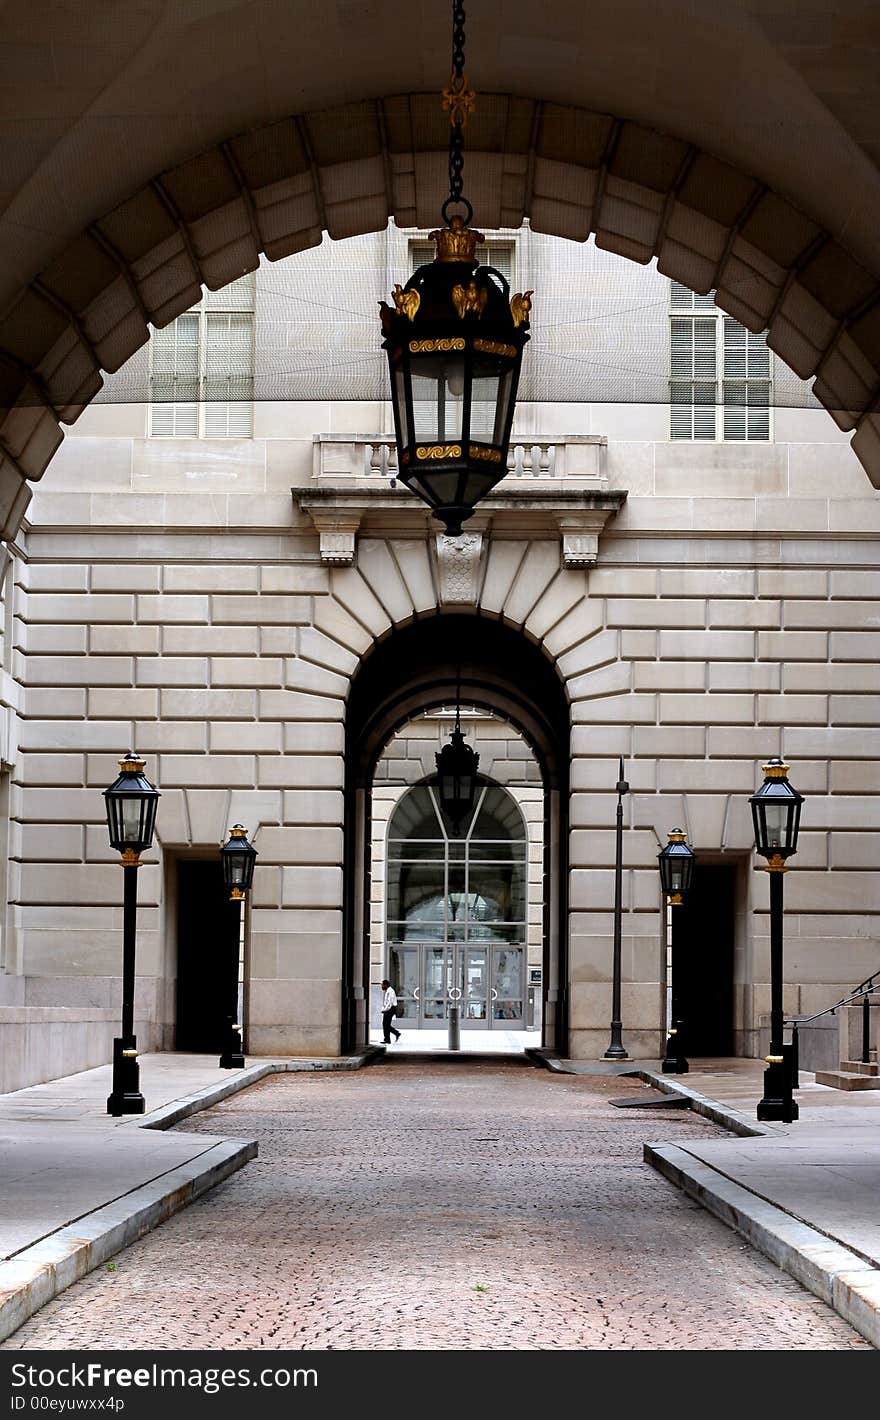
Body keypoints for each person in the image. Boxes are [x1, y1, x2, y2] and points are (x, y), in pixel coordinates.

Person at [380, 978, 401, 1044]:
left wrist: (385, 1010)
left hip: (390, 1009)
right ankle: (388, 1039)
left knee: (385, 1024)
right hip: (390, 1009)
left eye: (382, 985)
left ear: (386, 985)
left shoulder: (390, 991)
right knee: (386, 1024)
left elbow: (390, 1002)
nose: (381, 986)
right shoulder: (388, 991)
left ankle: (394, 1034)